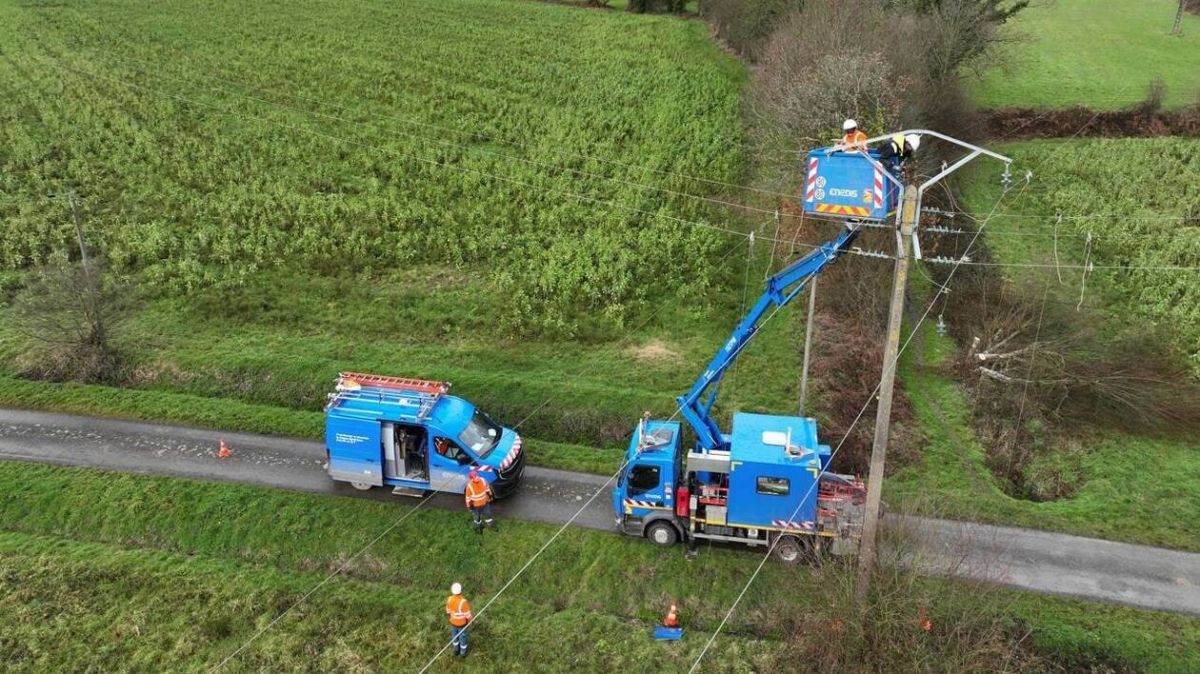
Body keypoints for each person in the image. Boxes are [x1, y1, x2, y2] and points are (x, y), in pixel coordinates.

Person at [464, 468, 496, 534]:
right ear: (471, 479)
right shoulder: (469, 487)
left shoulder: (483, 480)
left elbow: (487, 488)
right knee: (477, 517)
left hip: (485, 502)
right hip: (476, 506)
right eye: (475, 477)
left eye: (478, 476)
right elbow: (468, 498)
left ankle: (491, 525)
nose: (477, 478)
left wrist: (490, 495)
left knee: (488, 514)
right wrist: (469, 507)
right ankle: (478, 528)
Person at [445, 582, 473, 658]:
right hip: (462, 624)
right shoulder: (463, 602)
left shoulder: (449, 599)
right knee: (462, 637)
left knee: (454, 636)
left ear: (452, 591)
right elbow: (467, 615)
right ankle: (463, 652)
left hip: (453, 622)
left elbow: (448, 611)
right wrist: (470, 621)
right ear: (460, 590)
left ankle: (456, 650)